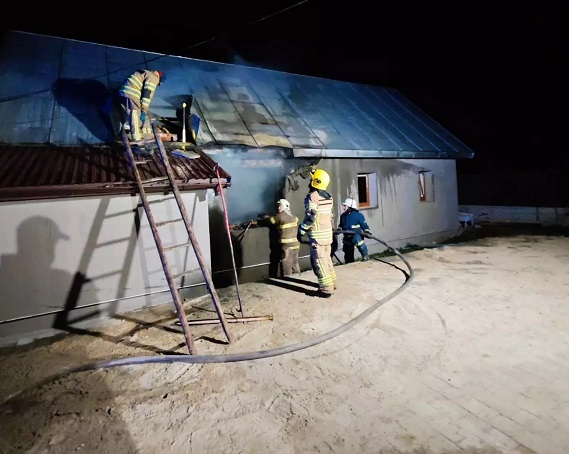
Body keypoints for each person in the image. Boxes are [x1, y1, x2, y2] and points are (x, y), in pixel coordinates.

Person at [297, 169, 336, 297]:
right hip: (327, 235)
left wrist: (301, 230)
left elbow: (311, 217)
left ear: (316, 181)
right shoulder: (329, 197)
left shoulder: (313, 197)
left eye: (312, 179)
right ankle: (333, 283)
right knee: (327, 260)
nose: (310, 181)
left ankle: (326, 289)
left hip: (318, 237)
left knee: (319, 263)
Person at [117, 69, 165, 142]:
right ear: (159, 78)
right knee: (135, 114)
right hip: (132, 93)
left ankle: (121, 135)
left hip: (123, 92)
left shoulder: (145, 73)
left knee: (128, 114)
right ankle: (136, 139)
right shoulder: (154, 78)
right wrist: (144, 110)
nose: (157, 85)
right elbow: (147, 95)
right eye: (158, 84)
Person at [259, 199, 301, 278]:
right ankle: (298, 278)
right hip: (296, 245)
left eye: (280, 206)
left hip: (287, 246)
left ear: (285, 206)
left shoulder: (280, 216)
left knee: (286, 264)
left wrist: (264, 217)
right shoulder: (294, 217)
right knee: (295, 263)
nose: (278, 208)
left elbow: (269, 221)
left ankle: (288, 280)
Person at [338, 197, 372, 263]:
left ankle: (365, 256)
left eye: (345, 206)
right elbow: (341, 225)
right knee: (348, 251)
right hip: (347, 237)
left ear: (350, 206)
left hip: (356, 236)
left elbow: (365, 226)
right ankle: (349, 263)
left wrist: (367, 232)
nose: (343, 207)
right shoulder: (342, 216)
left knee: (357, 240)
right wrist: (339, 229)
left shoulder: (358, 215)